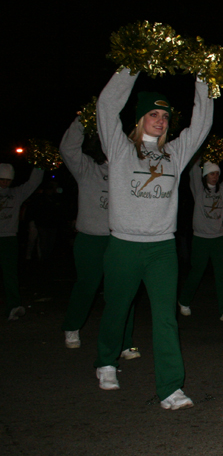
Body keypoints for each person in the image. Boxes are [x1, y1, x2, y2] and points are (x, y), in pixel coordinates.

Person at [93, 68, 213, 410]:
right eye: (153, 114)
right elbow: (106, 106)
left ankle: (171, 388)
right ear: (140, 117)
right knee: (117, 309)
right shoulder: (119, 149)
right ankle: (105, 362)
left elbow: (201, 124)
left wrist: (205, 81)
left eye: (164, 116)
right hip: (124, 246)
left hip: (162, 247)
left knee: (165, 317)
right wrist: (131, 66)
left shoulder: (175, 153)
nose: (160, 121)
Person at [60, 117, 136, 353]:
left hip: (117, 239)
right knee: (87, 285)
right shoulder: (86, 168)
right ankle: (72, 326)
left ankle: (125, 342)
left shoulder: (124, 169)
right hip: (90, 239)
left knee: (124, 291)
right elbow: (67, 149)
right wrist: (85, 118)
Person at [178, 157, 223, 320]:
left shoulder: (222, 189)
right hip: (200, 238)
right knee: (197, 272)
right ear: (205, 175)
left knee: (221, 274)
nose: (215, 176)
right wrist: (203, 154)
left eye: (217, 173)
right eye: (211, 173)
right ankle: (184, 300)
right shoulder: (198, 189)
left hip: (217, 238)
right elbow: (193, 169)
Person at [0, 163, 43, 320]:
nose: (5, 183)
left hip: (9, 237)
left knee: (10, 274)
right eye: (1, 179)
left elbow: (33, 183)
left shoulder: (16, 193)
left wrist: (40, 164)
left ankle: (13, 306)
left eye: (7, 180)